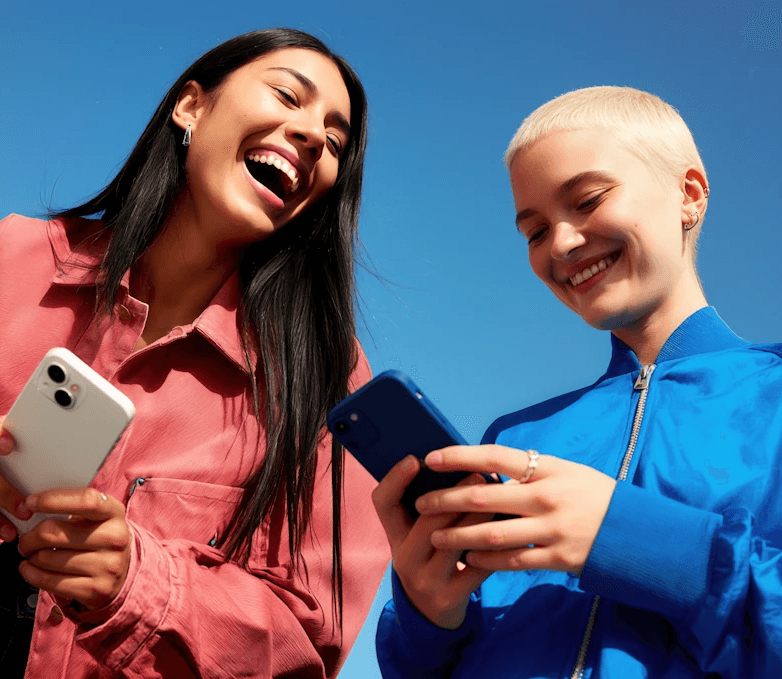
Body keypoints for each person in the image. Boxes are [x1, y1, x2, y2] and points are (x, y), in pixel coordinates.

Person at [0, 28, 389, 678]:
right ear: (190, 106)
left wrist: (138, 582)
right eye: (287, 95)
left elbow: (307, 643)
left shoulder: (327, 380)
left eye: (334, 142)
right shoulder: (13, 257)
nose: (311, 137)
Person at [373, 86, 782, 677]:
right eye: (535, 232)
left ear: (688, 195)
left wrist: (629, 540)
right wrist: (428, 617)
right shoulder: (512, 438)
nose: (561, 244)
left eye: (588, 200)